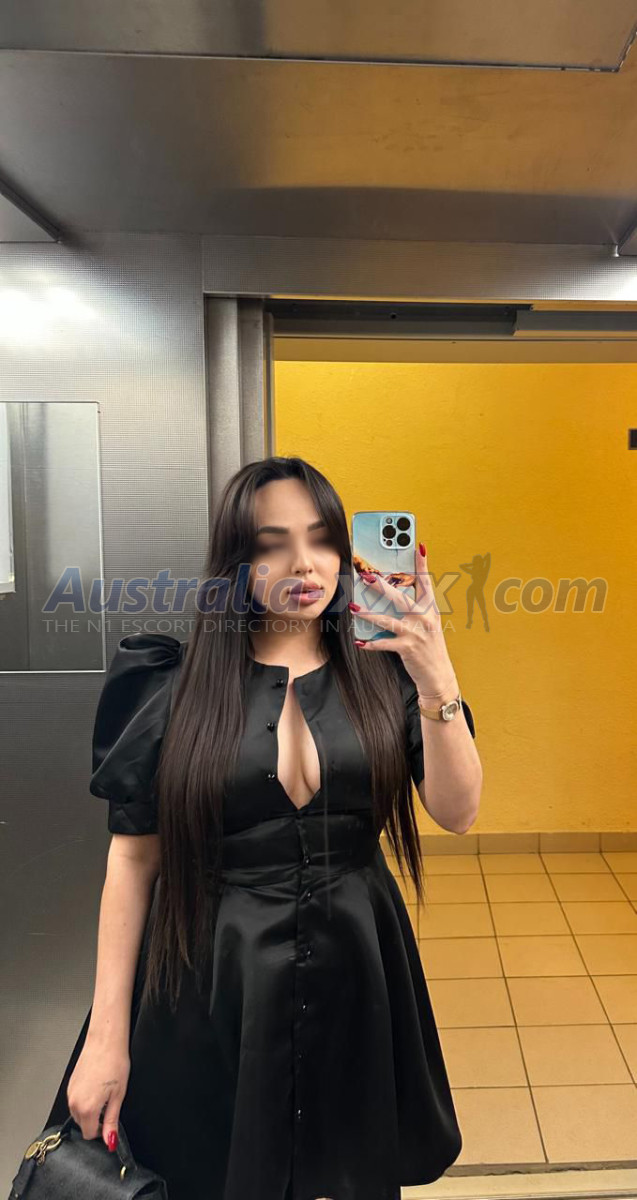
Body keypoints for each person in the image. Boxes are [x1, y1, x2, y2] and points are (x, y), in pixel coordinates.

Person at [44, 455, 482, 1200]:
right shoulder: (171, 687)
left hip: (358, 975)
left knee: (349, 1173)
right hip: (210, 981)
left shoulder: (387, 676)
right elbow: (134, 864)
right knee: (215, 1173)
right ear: (237, 563)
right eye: (272, 543)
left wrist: (436, 678)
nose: (302, 563)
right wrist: (106, 1037)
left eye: (321, 538)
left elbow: (459, 810)